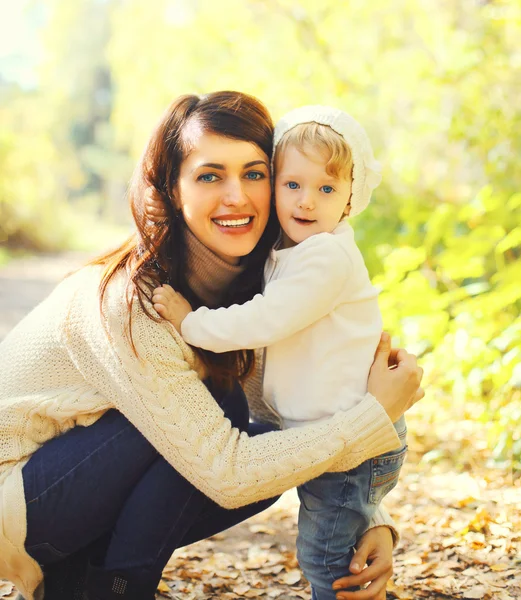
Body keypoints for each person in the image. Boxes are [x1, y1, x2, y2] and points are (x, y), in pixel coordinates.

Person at [0, 92, 424, 600]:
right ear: (173, 190)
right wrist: (376, 416)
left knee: (251, 423)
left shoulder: (254, 292)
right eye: (209, 176)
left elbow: (288, 406)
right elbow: (228, 474)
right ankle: (114, 590)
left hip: (63, 495)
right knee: (225, 424)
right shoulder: (133, 303)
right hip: (15, 495)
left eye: (254, 173)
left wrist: (366, 514)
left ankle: (87, 582)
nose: (237, 196)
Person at [151, 105, 408, 599]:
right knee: (334, 546)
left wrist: (190, 323)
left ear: (351, 198)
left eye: (326, 189)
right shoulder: (289, 248)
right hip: (333, 434)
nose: (307, 201)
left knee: (327, 558)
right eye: (292, 185)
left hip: (353, 441)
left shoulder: (326, 256)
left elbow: (267, 318)